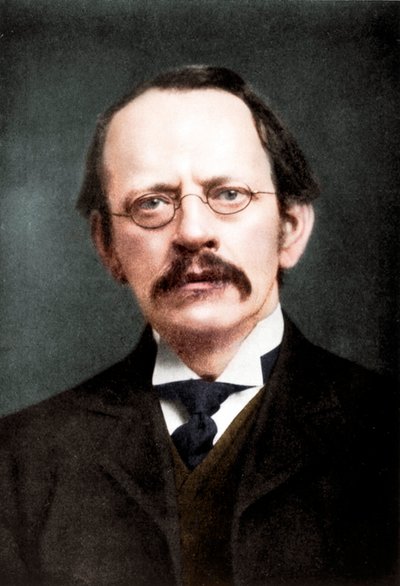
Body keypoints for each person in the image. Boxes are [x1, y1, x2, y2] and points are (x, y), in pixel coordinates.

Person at [0, 65, 397, 586]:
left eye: (229, 194)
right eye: (152, 204)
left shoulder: (385, 431)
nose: (192, 231)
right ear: (107, 246)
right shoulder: (20, 463)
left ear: (290, 228)